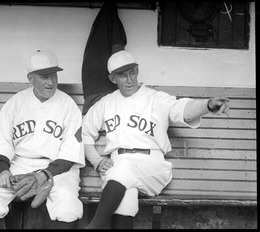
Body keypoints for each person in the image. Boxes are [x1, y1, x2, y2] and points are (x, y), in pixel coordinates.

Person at [82, 50, 230, 229]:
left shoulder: (156, 98)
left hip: (152, 166)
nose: (129, 79)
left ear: (137, 71)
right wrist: (96, 160)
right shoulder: (105, 103)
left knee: (122, 170)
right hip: (119, 169)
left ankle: (94, 226)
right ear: (113, 79)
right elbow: (83, 133)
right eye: (122, 75)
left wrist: (206, 105)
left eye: (132, 72)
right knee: (125, 200)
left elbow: (183, 109)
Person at [0, 50, 85, 229]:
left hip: (57, 168)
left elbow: (70, 154)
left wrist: (44, 175)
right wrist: (3, 171)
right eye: (44, 77)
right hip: (19, 164)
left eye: (54, 76)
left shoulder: (68, 105)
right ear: (30, 79)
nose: (51, 82)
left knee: (68, 205)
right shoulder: (15, 103)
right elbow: (1, 143)